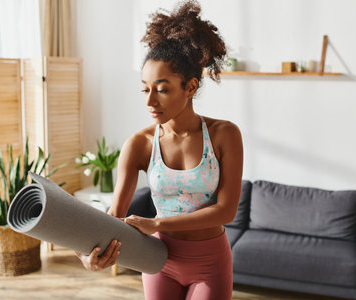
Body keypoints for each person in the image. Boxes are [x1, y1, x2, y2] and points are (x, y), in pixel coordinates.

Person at [76, 1, 243, 299]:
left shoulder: (224, 135)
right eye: (145, 88)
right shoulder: (139, 144)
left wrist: (157, 223)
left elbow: (226, 211)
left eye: (162, 89)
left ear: (190, 87)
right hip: (156, 259)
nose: (150, 101)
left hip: (209, 263)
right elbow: (115, 214)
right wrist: (89, 255)